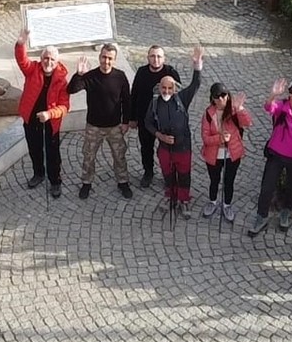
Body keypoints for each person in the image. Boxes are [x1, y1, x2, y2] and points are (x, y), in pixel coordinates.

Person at [249, 78, 292, 236]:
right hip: (277, 154)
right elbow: (268, 107)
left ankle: (286, 212)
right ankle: (261, 216)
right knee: (267, 187)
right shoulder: (282, 106)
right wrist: (273, 94)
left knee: (291, 187)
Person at [68, 43, 132, 200]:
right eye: (104, 57)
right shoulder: (90, 76)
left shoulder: (120, 77)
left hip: (114, 126)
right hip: (94, 126)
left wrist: (125, 122)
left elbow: (126, 100)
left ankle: (123, 181)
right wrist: (79, 74)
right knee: (88, 156)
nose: (106, 61)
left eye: (110, 58)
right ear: (99, 57)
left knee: (119, 156)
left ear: (114, 60)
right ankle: (86, 183)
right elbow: (71, 90)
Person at [145, 46, 204, 217]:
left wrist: (197, 66)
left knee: (184, 175)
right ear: (159, 88)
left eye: (170, 88)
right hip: (165, 148)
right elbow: (147, 122)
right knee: (168, 174)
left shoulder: (182, 98)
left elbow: (195, 85)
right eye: (164, 88)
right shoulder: (154, 103)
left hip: (183, 147)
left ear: (175, 88)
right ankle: (170, 196)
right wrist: (159, 135)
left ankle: (184, 199)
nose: (166, 91)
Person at [15, 28, 70, 198]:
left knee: (52, 153)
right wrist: (21, 44)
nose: (48, 62)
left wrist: (49, 114)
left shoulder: (62, 80)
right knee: (34, 148)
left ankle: (55, 181)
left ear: (57, 61)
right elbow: (22, 60)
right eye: (46, 58)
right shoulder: (33, 69)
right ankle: (38, 173)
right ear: (41, 59)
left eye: (52, 59)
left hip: (50, 122)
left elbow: (64, 107)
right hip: (31, 118)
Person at [199, 83, 253, 223]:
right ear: (212, 98)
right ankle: (212, 201)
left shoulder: (234, 110)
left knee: (229, 181)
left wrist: (240, 108)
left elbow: (247, 122)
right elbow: (205, 138)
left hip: (232, 154)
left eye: (224, 95)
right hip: (214, 155)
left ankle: (227, 205)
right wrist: (220, 139)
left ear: (228, 96)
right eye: (217, 96)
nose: (221, 99)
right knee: (214, 180)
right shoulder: (208, 114)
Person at [130, 45, 181, 188]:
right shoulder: (141, 72)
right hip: (146, 119)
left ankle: (169, 175)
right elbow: (134, 95)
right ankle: (148, 173)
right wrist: (132, 117)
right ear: (148, 58)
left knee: (167, 150)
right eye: (152, 56)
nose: (156, 59)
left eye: (159, 56)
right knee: (146, 148)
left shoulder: (170, 73)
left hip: (166, 120)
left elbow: (179, 97)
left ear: (164, 58)